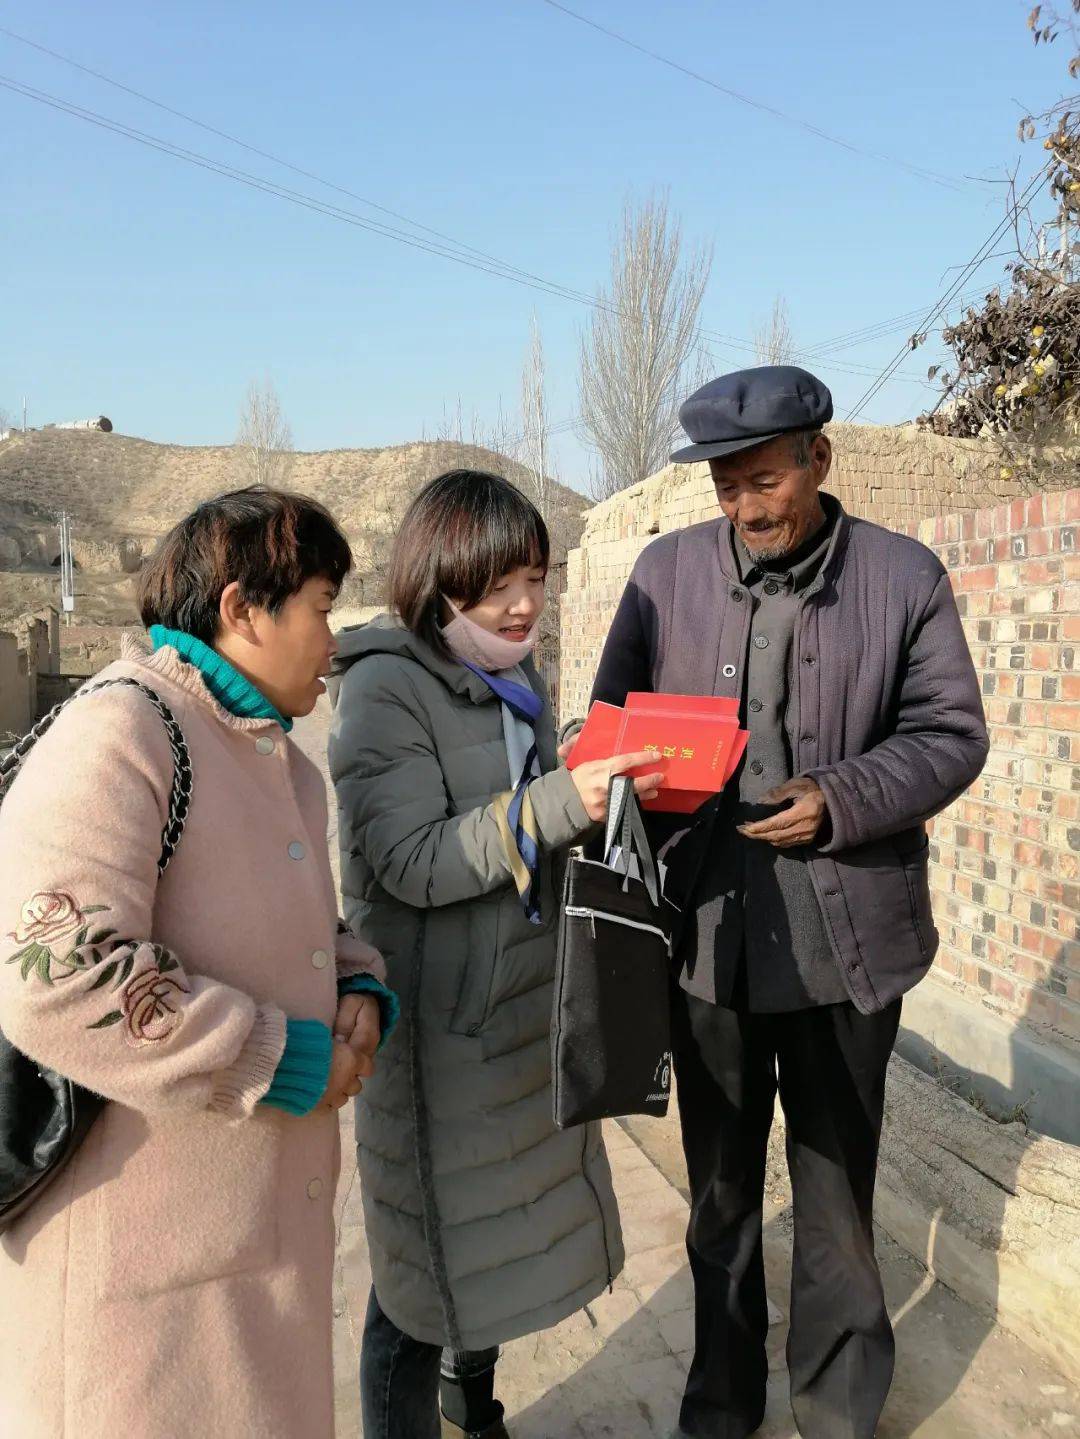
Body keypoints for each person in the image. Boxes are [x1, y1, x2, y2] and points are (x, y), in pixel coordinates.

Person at [590, 367, 990, 1439]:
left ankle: (838, 1404)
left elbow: (953, 735)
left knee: (834, 1196)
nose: (746, 507)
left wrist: (840, 796)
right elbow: (607, 718)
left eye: (764, 479)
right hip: (706, 943)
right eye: (726, 485)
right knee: (719, 1194)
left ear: (820, 457)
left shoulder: (904, 577)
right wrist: (645, 769)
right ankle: (721, 1402)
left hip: (843, 945)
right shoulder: (664, 573)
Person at [0, 487, 397, 1439]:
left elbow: (300, 922)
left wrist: (356, 984)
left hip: (252, 1258)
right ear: (240, 607)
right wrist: (285, 1057)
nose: (332, 639)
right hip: (144, 1291)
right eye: (318, 607)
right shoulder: (124, 730)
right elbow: (53, 972)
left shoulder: (278, 760)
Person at [329, 469, 663, 1439]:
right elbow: (411, 860)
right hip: (443, 1036)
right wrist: (563, 800)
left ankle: (473, 1408)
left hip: (524, 1013)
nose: (523, 601)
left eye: (535, 576)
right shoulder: (387, 687)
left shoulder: (515, 681)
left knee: (497, 1245)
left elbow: (523, 816)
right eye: (496, 583)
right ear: (440, 582)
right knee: (420, 1281)